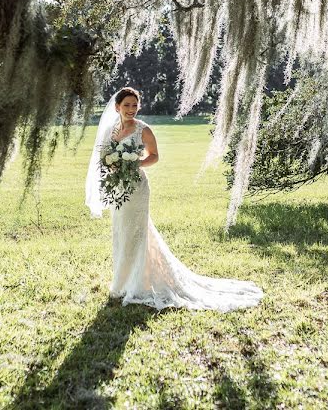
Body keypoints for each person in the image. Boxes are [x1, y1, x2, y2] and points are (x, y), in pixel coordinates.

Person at [85, 87, 264, 311]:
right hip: (119, 187)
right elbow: (103, 157)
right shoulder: (111, 131)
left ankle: (138, 283)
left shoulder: (144, 130)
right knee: (121, 231)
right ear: (117, 107)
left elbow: (154, 156)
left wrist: (135, 163)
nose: (131, 109)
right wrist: (113, 165)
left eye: (134, 105)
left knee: (137, 230)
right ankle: (122, 282)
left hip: (137, 188)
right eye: (126, 105)